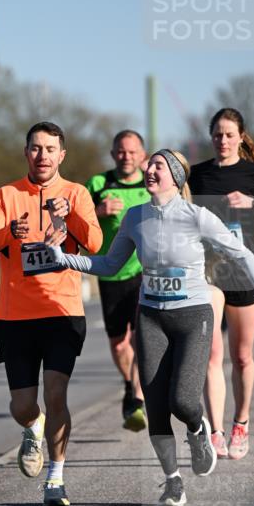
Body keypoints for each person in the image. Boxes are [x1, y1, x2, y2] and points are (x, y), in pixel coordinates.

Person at [47, 150, 254, 506]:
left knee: (184, 401)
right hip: (151, 317)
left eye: (158, 165)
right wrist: (64, 258)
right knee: (157, 408)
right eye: (150, 165)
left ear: (175, 177)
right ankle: (172, 480)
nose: (149, 169)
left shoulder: (198, 217)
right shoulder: (135, 217)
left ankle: (198, 429)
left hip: (193, 316)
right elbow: (111, 264)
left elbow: (244, 256)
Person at [0, 121, 102, 506]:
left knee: (56, 393)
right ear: (26, 152)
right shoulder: (7, 195)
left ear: (62, 155)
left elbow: (94, 243)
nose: (42, 156)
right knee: (23, 405)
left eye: (49, 149)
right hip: (15, 316)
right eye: (35, 148)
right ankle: (33, 426)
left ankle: (56, 478)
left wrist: (71, 216)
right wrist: (9, 231)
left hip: (62, 311)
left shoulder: (76, 194)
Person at [190, 109, 254, 460]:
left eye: (229, 135)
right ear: (211, 137)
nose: (223, 141)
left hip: (242, 272)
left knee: (242, 356)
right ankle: (215, 432)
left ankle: (241, 423)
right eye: (217, 135)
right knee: (211, 355)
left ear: (240, 137)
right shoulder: (198, 174)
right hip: (208, 274)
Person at [86, 130, 150, 431]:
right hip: (110, 273)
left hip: (142, 273)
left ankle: (137, 398)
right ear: (113, 154)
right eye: (121, 152)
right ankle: (128, 384)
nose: (127, 157)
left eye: (132, 151)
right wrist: (97, 212)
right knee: (118, 343)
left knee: (140, 338)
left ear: (142, 155)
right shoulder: (99, 184)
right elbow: (74, 219)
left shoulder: (149, 185)